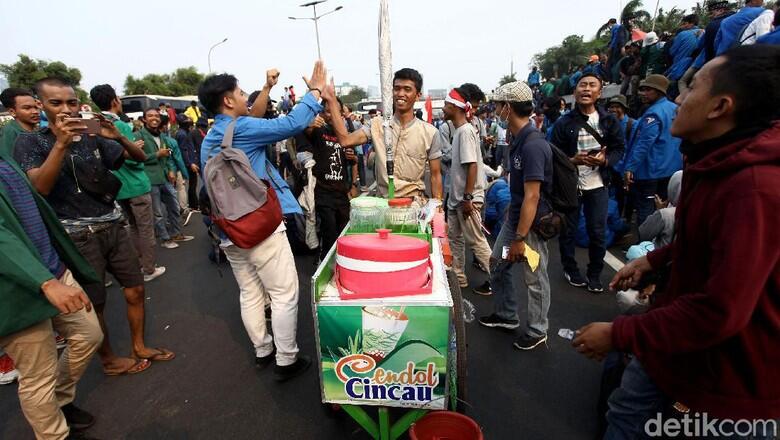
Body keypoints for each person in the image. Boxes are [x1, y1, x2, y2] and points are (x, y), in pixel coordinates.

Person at [574, 44, 780, 440]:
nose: (679, 100)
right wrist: (656, 260)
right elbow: (706, 242)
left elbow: (720, 310)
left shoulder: (754, 188)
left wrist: (618, 334)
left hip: (730, 383)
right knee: (624, 413)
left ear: (720, 107)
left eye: (691, 88)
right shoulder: (710, 159)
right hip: (676, 350)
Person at [13, 77, 173, 377]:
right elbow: (41, 188)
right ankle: (109, 359)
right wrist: (60, 143)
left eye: (71, 102)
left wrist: (118, 137)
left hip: (113, 225)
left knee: (136, 289)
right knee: (95, 302)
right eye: (55, 103)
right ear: (41, 105)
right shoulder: (31, 142)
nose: (66, 109)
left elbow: (138, 158)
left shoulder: (92, 134)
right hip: (77, 236)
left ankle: (138, 345)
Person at [199, 62, 327, 381]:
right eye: (241, 93)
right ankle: (287, 358)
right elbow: (293, 122)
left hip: (228, 230)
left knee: (250, 292)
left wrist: (265, 88)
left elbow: (254, 119)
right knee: (283, 292)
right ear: (228, 101)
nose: (245, 97)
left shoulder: (211, 138)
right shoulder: (242, 129)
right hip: (260, 227)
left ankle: (263, 350)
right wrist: (314, 92)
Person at [1, 144, 104, 439]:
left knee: (88, 335)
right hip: (18, 288)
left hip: (52, 269)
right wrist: (43, 282)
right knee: (38, 376)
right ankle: (55, 433)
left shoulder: (5, 153)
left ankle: (58, 401)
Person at [477, 81, 553, 351]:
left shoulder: (533, 145)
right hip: (516, 220)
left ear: (508, 108)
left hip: (528, 227)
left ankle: (537, 329)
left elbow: (533, 196)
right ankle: (507, 315)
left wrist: (520, 237)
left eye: (498, 105)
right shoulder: (517, 139)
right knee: (498, 262)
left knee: (534, 276)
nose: (495, 110)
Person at [549, 73, 625, 293]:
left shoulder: (609, 121)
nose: (586, 89)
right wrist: (572, 160)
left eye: (592, 86)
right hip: (571, 186)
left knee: (598, 232)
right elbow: (553, 154)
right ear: (575, 92)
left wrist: (606, 160)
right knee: (568, 231)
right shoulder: (564, 123)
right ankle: (570, 269)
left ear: (599, 93)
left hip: (598, 185)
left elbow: (619, 148)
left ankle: (595, 274)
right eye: (582, 85)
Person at [329, 68, 444, 203]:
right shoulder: (377, 125)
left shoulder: (430, 132)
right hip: (384, 206)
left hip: (414, 205)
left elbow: (435, 175)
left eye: (407, 89)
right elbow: (345, 140)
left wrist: (437, 207)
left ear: (418, 95)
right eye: (397, 88)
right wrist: (331, 100)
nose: (400, 94)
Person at [89, 84, 165, 283]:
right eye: (119, 99)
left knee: (132, 228)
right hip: (136, 185)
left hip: (117, 187)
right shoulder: (119, 126)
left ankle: (139, 264)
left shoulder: (95, 125)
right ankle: (149, 268)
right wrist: (134, 149)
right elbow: (134, 157)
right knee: (145, 229)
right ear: (114, 101)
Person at [439, 87, 492, 294]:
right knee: (454, 239)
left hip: (466, 199)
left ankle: (498, 282)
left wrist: (468, 197)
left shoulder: (466, 131)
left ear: (455, 107)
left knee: (477, 242)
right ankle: (458, 279)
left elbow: (472, 166)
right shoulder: (460, 130)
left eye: (445, 104)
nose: (443, 108)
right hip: (456, 199)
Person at [622, 75, 683, 228]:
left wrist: (630, 167)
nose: (642, 93)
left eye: (647, 90)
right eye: (642, 89)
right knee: (664, 209)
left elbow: (644, 143)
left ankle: (645, 245)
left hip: (651, 172)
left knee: (646, 210)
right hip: (671, 170)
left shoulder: (653, 113)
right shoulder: (675, 108)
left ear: (659, 91)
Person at [306, 95, 358, 261]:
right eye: (328, 111)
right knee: (329, 233)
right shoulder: (318, 130)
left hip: (342, 193)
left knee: (344, 233)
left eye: (335, 111)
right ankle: (326, 267)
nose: (331, 115)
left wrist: (354, 182)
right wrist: (310, 124)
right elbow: (305, 131)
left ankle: (341, 265)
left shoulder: (345, 135)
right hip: (323, 192)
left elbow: (354, 160)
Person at [136, 108, 193, 248]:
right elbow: (136, 159)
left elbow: (167, 157)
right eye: (150, 116)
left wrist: (171, 170)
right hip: (151, 179)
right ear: (144, 119)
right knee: (158, 213)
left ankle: (177, 234)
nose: (154, 118)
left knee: (174, 207)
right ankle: (165, 238)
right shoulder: (138, 136)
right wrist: (157, 155)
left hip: (165, 178)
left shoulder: (162, 136)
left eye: (156, 116)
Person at [665, 15, 701, 99]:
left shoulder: (683, 34)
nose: (683, 26)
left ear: (691, 24)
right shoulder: (703, 33)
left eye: (685, 24)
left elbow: (672, 51)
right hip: (694, 70)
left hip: (678, 68)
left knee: (671, 94)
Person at [0, 88, 40, 158]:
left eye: (36, 107)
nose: (35, 111)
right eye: (27, 108)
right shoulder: (10, 132)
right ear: (12, 112)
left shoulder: (36, 130)